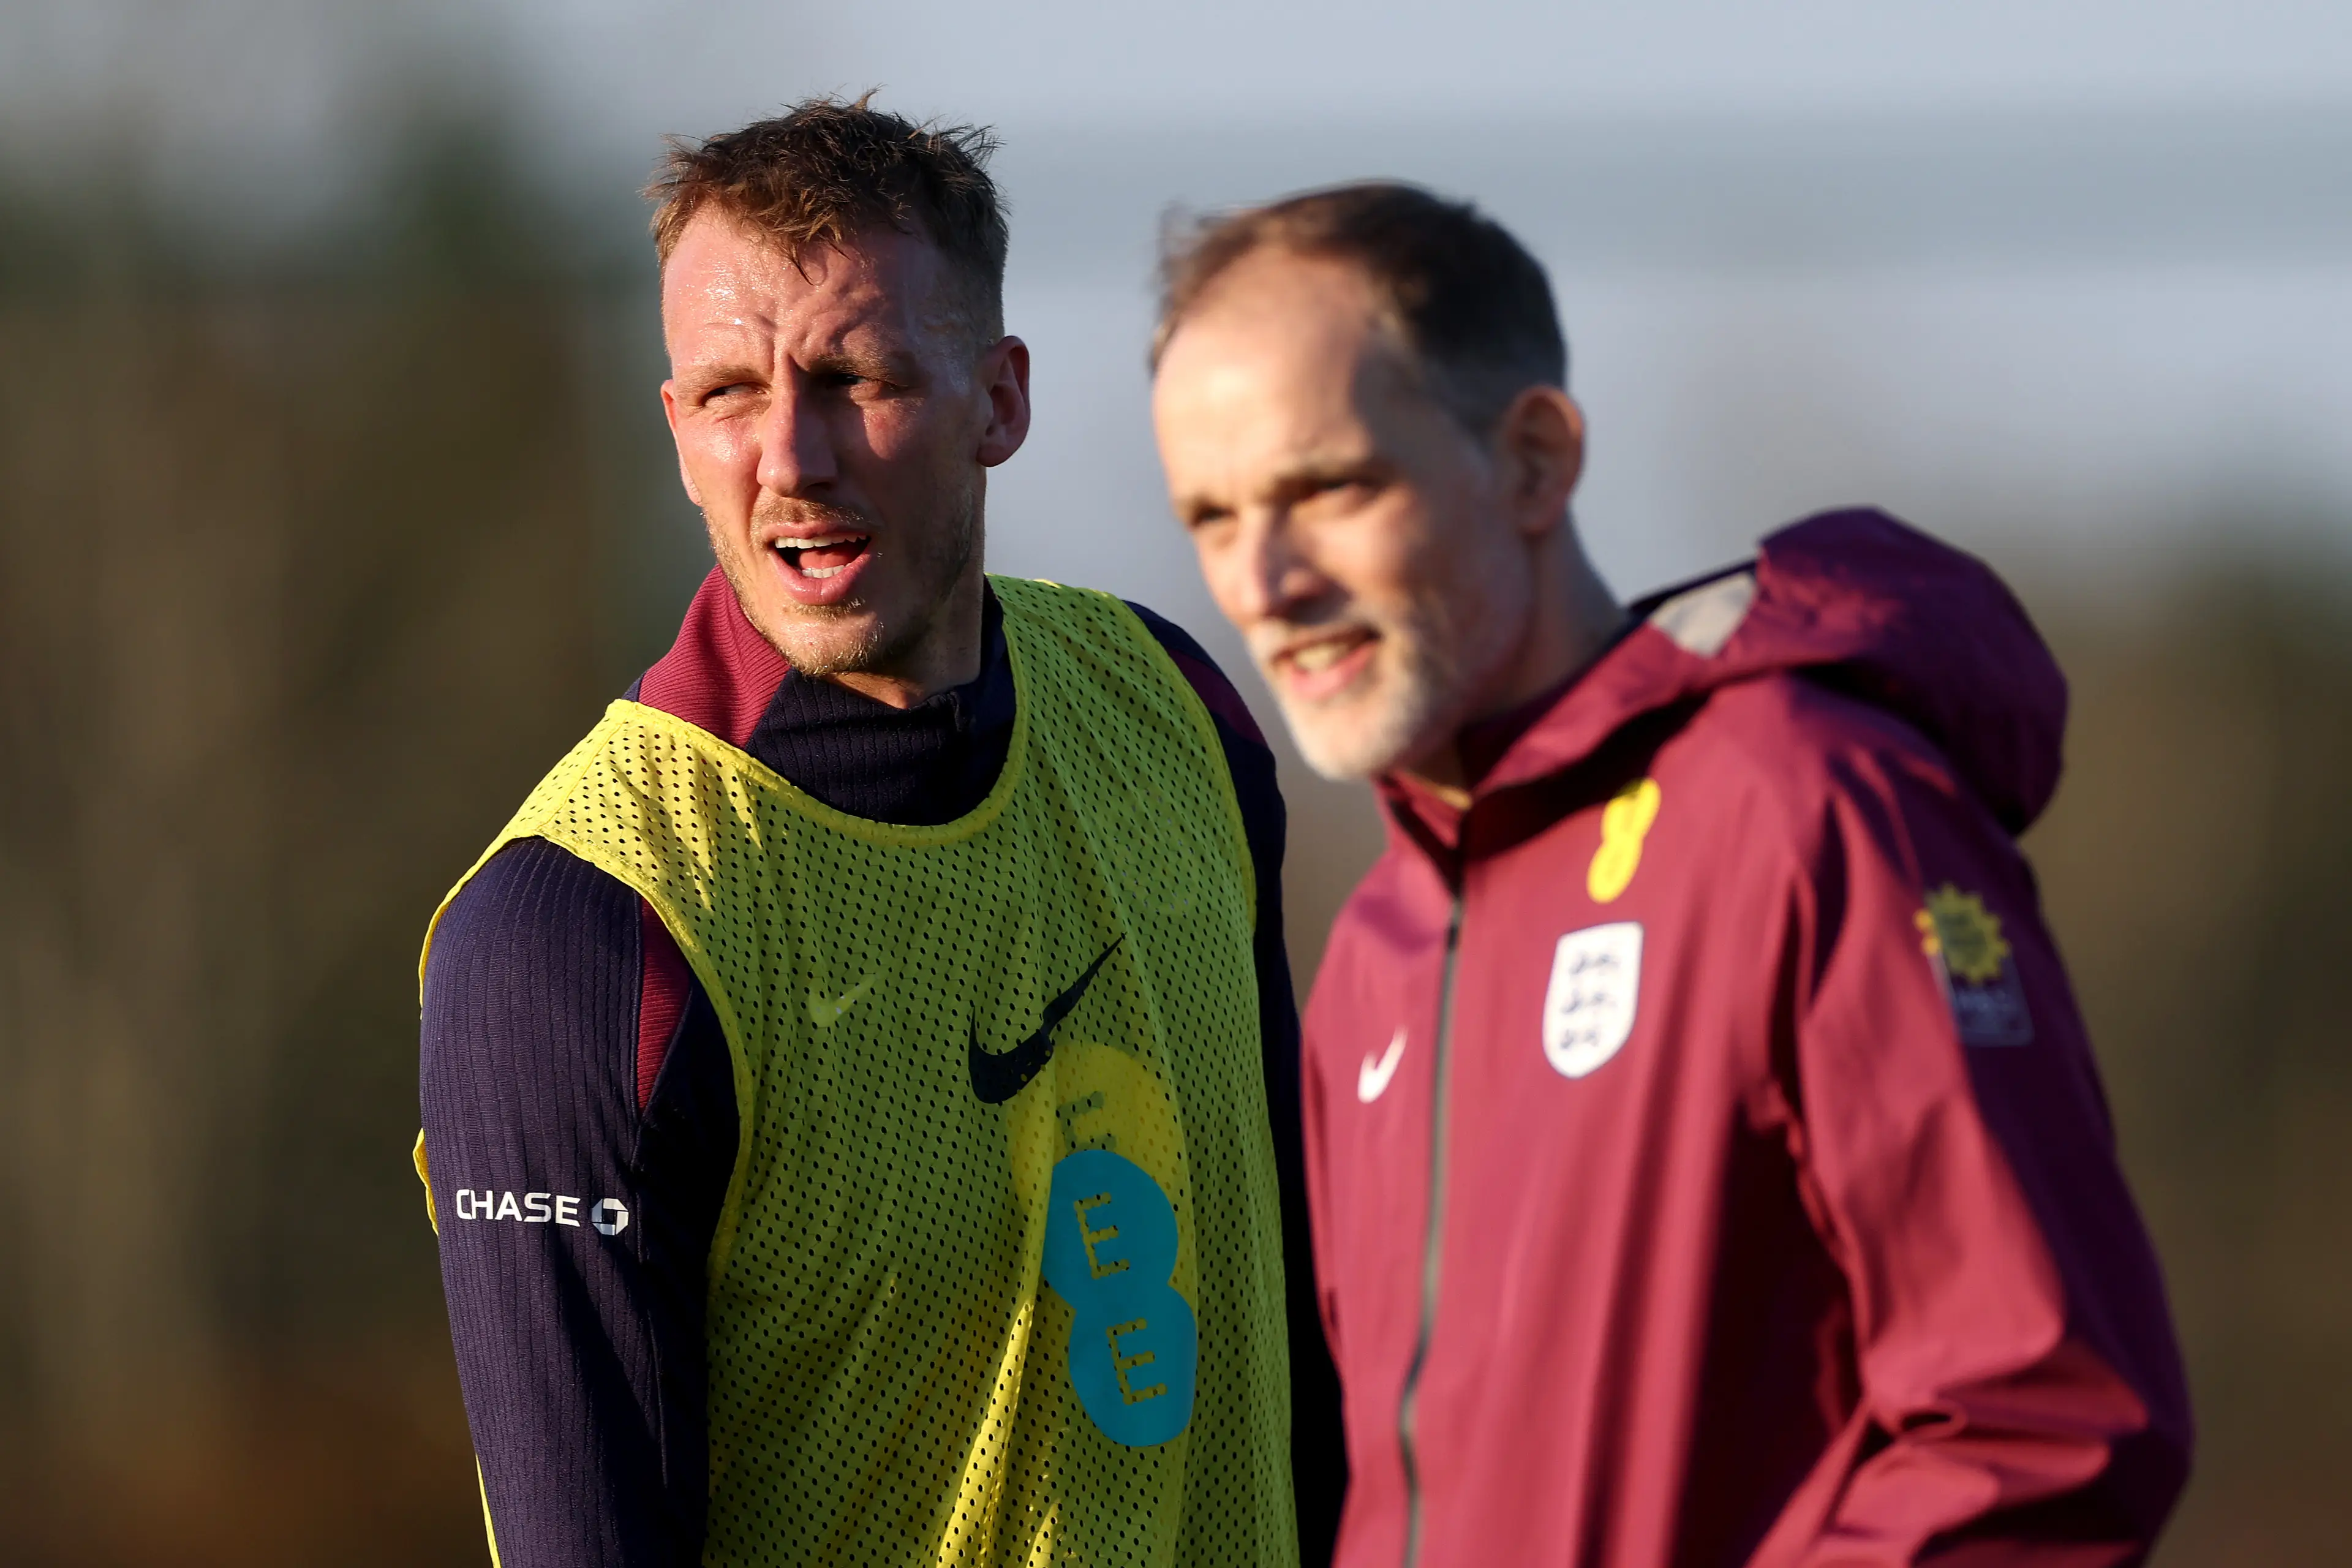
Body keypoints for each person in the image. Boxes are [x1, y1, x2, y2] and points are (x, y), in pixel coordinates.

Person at [1150, 183, 2192, 1567]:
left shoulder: (1803, 803)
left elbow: (2040, 1422)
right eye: (1213, 516)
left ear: (1533, 460)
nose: (1263, 578)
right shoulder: (1376, 948)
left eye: (1328, 487)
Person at [413, 98, 1340, 1568]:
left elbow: (1309, 1338)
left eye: (855, 376)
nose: (791, 454)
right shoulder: (584, 932)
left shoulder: (1174, 714)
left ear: (1001, 399)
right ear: (676, 433)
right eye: (728, 391)